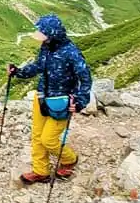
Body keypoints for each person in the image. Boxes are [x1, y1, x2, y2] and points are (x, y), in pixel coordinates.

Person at [8, 14, 93, 184]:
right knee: (37, 136)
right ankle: (41, 171)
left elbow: (86, 78)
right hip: (42, 97)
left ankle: (69, 159)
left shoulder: (72, 53)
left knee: (48, 139)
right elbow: (39, 66)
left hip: (61, 102)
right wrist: (18, 72)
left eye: (43, 34)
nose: (41, 37)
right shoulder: (46, 47)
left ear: (53, 34)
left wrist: (80, 101)